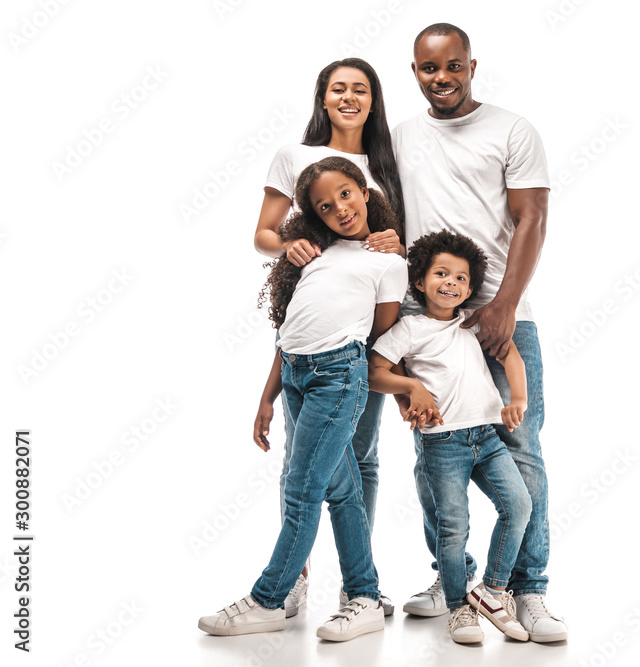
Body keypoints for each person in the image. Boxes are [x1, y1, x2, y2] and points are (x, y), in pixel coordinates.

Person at [392, 23, 568, 642]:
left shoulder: (512, 130)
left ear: (471, 66)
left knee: (521, 453)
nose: (441, 79)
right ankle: (454, 581)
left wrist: (504, 307)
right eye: (428, 69)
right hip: (429, 323)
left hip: (501, 318)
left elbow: (533, 216)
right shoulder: (401, 137)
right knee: (434, 455)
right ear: (414, 70)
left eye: (453, 67)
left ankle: (528, 591)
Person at [199, 158, 405, 641]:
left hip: (338, 376)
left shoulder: (389, 261)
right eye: (325, 206)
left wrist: (391, 384)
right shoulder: (317, 253)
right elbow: (289, 330)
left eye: (346, 196)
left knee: (302, 489)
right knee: (341, 489)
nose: (340, 210)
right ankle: (365, 595)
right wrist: (267, 397)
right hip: (295, 374)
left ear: (365, 191)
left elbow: (382, 335)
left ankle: (269, 598)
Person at [251, 57, 403, 615]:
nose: (348, 97)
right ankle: (296, 575)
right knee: (307, 459)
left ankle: (357, 587)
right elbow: (265, 232)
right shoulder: (295, 156)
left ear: (373, 99)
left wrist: (400, 250)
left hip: (369, 324)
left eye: (360, 89)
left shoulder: (388, 162)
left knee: (360, 456)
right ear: (322, 97)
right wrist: (286, 247)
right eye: (337, 88)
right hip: (313, 321)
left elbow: (392, 239)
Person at [369, 230, 532, 644]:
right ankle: (459, 609)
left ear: (470, 288)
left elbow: (509, 352)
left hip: (487, 436)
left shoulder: (472, 323)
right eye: (441, 273)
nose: (451, 284)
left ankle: (492, 590)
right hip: (443, 441)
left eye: (461, 279)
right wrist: (410, 388)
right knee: (453, 528)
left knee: (519, 506)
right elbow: (374, 372)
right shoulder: (409, 329)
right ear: (420, 281)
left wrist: (518, 399)